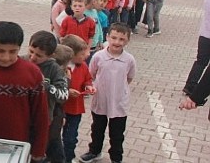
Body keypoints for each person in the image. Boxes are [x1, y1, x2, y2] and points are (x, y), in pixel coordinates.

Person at [0, 21, 49, 163]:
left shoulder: (32, 73)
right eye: (0, 50)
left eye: (13, 51)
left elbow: (41, 116)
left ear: (20, 48)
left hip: (18, 148)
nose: (6, 57)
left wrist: (39, 150)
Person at [79, 23, 136, 163]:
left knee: (117, 134)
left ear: (127, 41)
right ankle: (95, 151)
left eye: (122, 39)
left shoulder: (129, 60)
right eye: (114, 38)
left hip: (119, 103)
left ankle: (116, 158)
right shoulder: (98, 56)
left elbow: (129, 77)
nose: (117, 42)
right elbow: (91, 74)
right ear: (107, 37)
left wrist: (117, 90)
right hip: (100, 101)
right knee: (97, 129)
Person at [26, 31, 69, 163]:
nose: (33, 57)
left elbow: (64, 95)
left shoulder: (54, 69)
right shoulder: (21, 60)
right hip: (22, 118)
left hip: (43, 121)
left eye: (39, 55)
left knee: (37, 154)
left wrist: (48, 86)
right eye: (31, 51)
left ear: (50, 56)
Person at [60, 34, 96, 163]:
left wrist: (89, 87)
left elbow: (88, 80)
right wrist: (67, 92)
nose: (87, 55)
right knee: (53, 137)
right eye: (82, 53)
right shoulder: (61, 67)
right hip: (60, 109)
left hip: (75, 109)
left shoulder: (83, 67)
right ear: (71, 55)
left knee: (70, 138)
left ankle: (68, 158)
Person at [183, 0, 210, 100]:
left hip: (205, 34)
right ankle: (192, 86)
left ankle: (191, 85)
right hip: (206, 34)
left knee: (200, 61)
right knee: (201, 61)